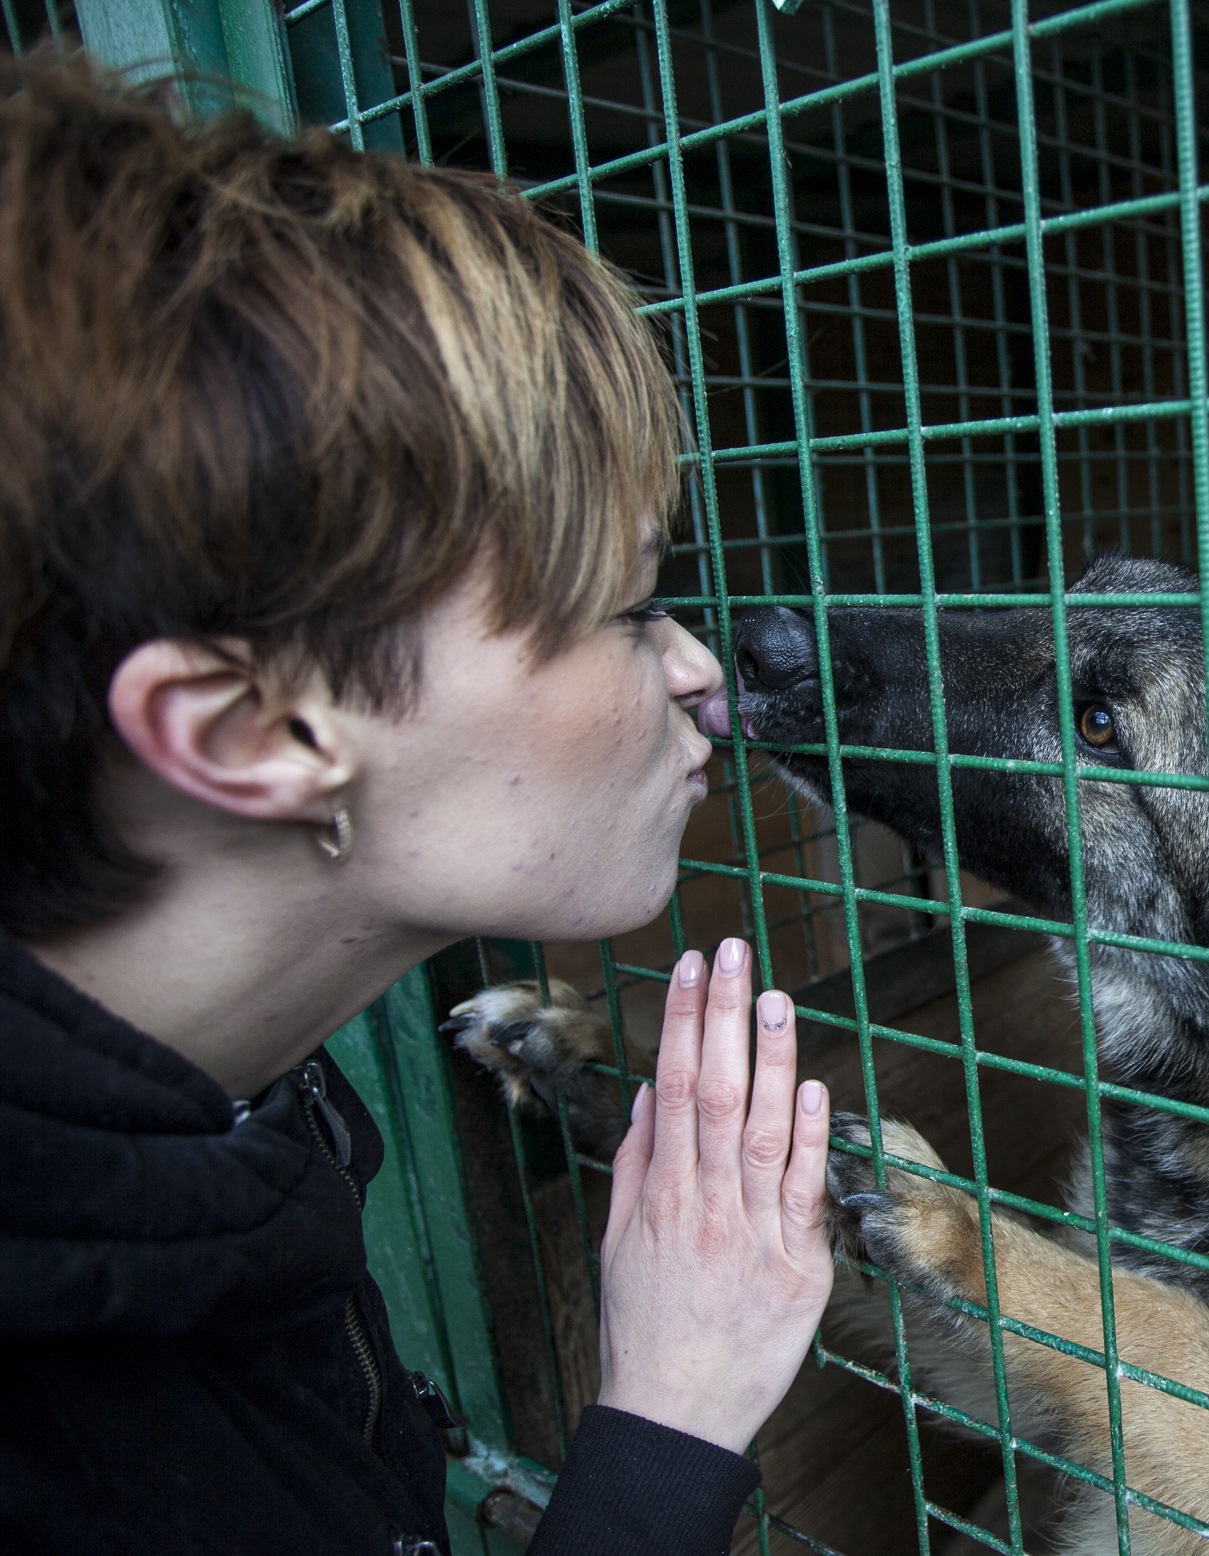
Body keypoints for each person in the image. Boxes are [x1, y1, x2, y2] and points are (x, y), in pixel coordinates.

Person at [0, 53, 834, 1555]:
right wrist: (665, 1443)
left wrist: (674, 1391)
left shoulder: (242, 1094)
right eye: (632, 607)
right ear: (256, 732)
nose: (702, 669)